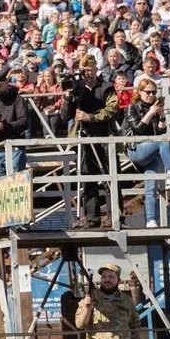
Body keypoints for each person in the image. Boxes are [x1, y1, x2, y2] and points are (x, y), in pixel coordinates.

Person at [61, 55, 118, 227]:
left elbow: (113, 109)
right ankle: (92, 218)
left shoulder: (106, 87)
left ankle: (114, 216)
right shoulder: (78, 90)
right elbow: (65, 116)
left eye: (88, 68)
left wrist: (90, 117)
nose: (86, 72)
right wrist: (68, 98)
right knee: (88, 179)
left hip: (104, 138)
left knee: (111, 179)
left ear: (95, 69)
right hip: (84, 139)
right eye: (82, 69)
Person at [124, 78, 170, 228]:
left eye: (153, 92)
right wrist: (150, 112)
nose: (150, 95)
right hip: (136, 150)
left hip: (152, 152)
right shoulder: (132, 107)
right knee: (162, 140)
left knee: (151, 187)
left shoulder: (155, 107)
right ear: (140, 92)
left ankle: (151, 220)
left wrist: (161, 115)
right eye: (147, 92)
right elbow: (137, 129)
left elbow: (161, 131)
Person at [0, 70, 29, 175]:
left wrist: (3, 126)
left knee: (16, 186)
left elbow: (24, 122)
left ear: (6, 83)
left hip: (14, 149)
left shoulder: (18, 100)